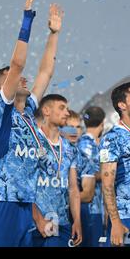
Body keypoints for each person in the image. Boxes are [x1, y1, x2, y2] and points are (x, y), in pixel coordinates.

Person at [0, 0, 63, 247]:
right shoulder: (1, 114)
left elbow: (46, 72)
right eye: (14, 78)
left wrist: (53, 33)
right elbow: (17, 64)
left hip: (27, 204)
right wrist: (27, 21)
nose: (22, 78)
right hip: (4, 203)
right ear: (3, 88)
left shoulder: (27, 112)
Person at [99, 83, 130, 247]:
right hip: (128, 216)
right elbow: (107, 184)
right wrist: (115, 222)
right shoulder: (112, 138)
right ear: (122, 105)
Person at [31, 94, 82, 247]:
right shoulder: (31, 142)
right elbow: (21, 186)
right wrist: (38, 219)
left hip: (61, 224)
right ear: (46, 111)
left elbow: (73, 189)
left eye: (67, 108)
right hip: (33, 225)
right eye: (61, 108)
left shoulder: (69, 148)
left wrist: (77, 220)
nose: (67, 112)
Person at [77, 106, 106, 247]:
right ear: (102, 124)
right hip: (90, 209)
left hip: (96, 208)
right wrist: (109, 173)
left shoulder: (90, 144)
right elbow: (87, 174)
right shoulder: (87, 145)